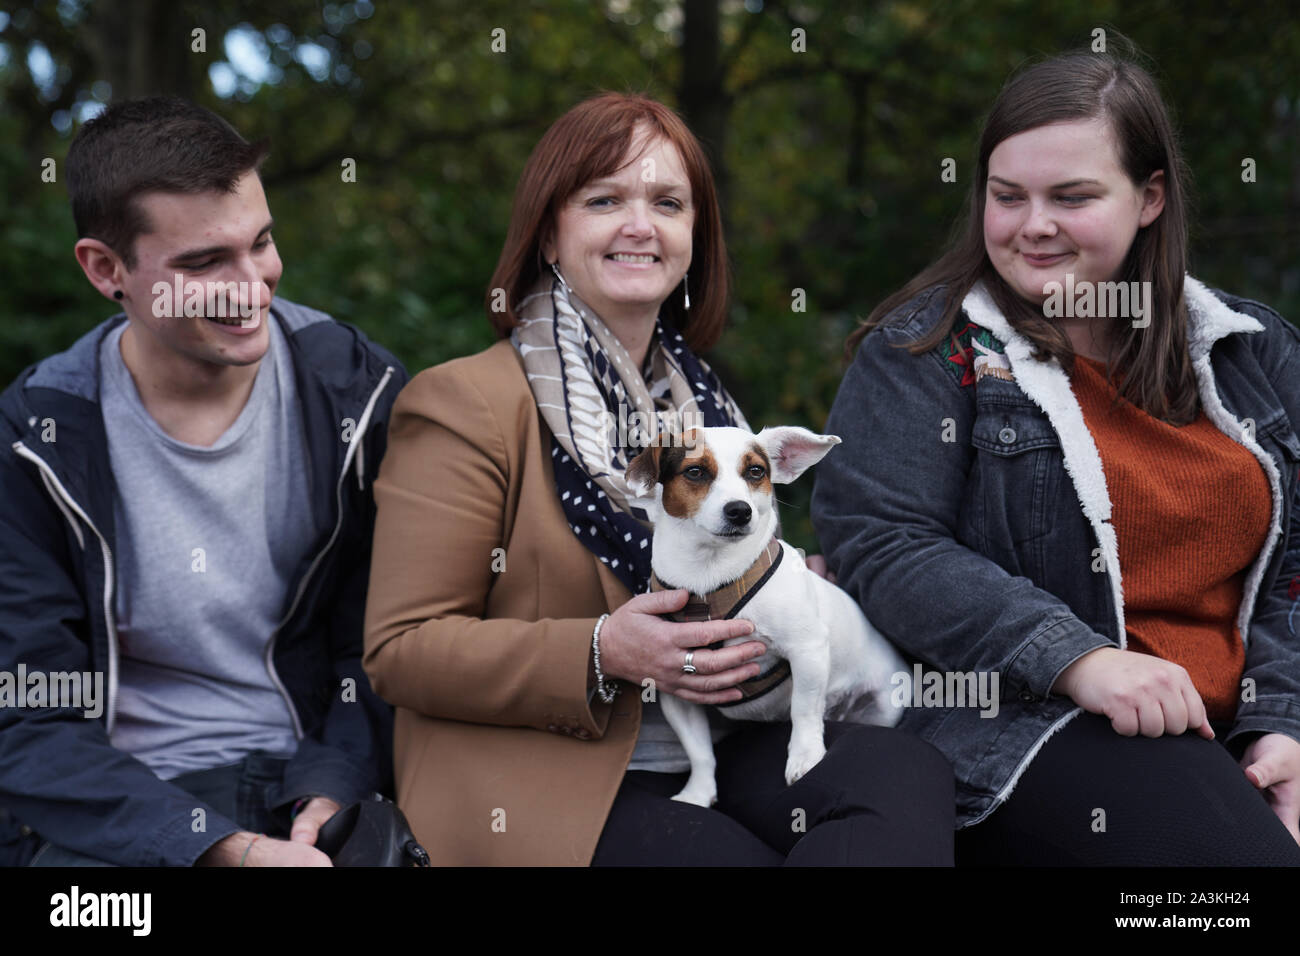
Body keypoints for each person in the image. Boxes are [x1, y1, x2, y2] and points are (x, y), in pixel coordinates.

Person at [363, 92, 954, 866]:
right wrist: (605, 650)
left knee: (905, 780)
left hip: (721, 733)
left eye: (667, 203)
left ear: (693, 237)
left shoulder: (704, 403)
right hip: (547, 771)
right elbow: (401, 649)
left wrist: (777, 584)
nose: (640, 225)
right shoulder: (462, 402)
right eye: (604, 199)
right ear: (548, 233)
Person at [812, 46, 1300, 865]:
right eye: (1007, 197)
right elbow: (885, 546)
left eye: (1071, 198)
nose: (1032, 225)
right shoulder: (925, 351)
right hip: (1022, 726)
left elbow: (1293, 572)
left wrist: (1283, 725)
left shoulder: (1254, 354)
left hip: (1226, 732)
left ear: (1150, 199)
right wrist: (1077, 659)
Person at [0, 97, 407, 866]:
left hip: (311, 785)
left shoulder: (361, 393)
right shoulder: (32, 443)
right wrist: (220, 850)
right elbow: (26, 715)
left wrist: (337, 784)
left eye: (261, 243)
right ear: (105, 269)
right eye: (204, 263)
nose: (252, 286)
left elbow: (383, 646)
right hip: (119, 816)